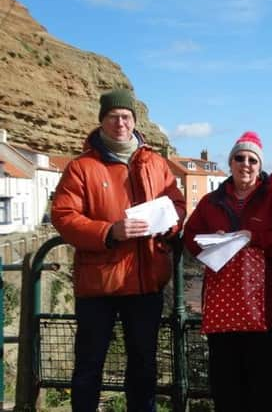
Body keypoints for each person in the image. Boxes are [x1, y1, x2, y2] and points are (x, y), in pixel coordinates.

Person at [51, 89, 186, 412]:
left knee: (143, 365)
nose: (120, 123)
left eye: (126, 117)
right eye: (113, 117)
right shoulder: (81, 167)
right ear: (102, 121)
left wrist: (169, 225)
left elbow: (177, 204)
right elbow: (64, 216)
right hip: (99, 284)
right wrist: (109, 231)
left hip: (144, 282)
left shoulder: (155, 162)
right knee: (89, 366)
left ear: (134, 121)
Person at [183, 131, 272, 412]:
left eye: (252, 160)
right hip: (222, 312)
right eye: (239, 158)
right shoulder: (210, 202)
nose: (245, 164)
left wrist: (255, 238)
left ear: (260, 166)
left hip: (263, 313)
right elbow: (191, 236)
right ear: (231, 162)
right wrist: (213, 243)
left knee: (259, 390)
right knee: (225, 389)